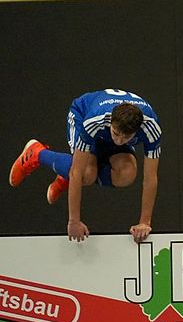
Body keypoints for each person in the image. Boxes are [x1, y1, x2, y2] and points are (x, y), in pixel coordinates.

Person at [9, 88, 162, 243]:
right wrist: (74, 221)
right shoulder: (95, 121)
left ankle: (65, 174)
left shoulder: (151, 128)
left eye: (126, 137)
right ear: (111, 122)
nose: (119, 141)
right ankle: (37, 153)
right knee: (86, 174)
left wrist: (145, 222)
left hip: (107, 131)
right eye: (116, 133)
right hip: (82, 115)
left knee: (126, 174)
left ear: (137, 130)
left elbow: (150, 177)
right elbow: (76, 171)